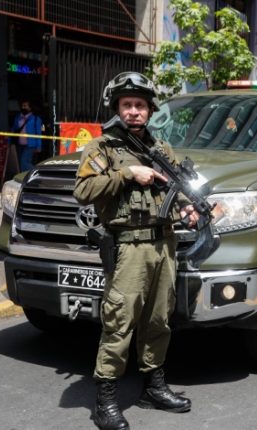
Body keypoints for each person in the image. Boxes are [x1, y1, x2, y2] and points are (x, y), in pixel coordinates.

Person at [74, 72, 201, 430]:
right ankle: (106, 400)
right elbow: (83, 191)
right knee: (120, 323)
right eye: (127, 105)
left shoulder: (161, 150)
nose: (134, 111)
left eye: (140, 105)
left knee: (160, 319)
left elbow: (172, 195)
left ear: (149, 110)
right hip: (128, 248)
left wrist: (187, 211)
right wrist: (129, 173)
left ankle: (153, 388)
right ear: (116, 108)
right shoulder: (101, 148)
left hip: (164, 244)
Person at [10, 99, 43, 171]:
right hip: (19, 145)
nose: (23, 107)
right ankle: (25, 178)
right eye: (22, 106)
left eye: (25, 106)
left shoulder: (36, 119)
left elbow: (38, 133)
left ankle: (37, 173)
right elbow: (13, 130)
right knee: (20, 163)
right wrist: (9, 142)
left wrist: (39, 146)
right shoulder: (18, 117)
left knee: (24, 162)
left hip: (30, 145)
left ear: (30, 108)